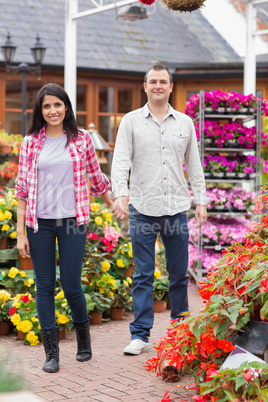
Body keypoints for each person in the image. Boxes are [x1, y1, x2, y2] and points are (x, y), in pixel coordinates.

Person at [15, 83, 126, 373]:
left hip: (73, 221)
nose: (53, 110)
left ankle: (83, 338)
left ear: (66, 107)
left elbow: (96, 176)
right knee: (44, 286)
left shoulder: (82, 139)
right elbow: (22, 189)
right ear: (41, 111)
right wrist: (21, 232)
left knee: (72, 284)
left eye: (57, 105)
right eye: (46, 106)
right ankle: (51, 353)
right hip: (39, 223)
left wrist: (112, 203)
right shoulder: (30, 143)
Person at [111, 63, 208, 355]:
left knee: (179, 275)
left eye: (163, 82)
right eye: (152, 81)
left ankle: (180, 333)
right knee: (143, 275)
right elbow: (120, 161)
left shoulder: (185, 123)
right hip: (142, 207)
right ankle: (140, 335)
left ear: (170, 87)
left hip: (177, 209)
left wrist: (201, 200)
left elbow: (194, 165)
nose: (157, 86)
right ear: (145, 87)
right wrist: (121, 195)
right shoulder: (130, 121)